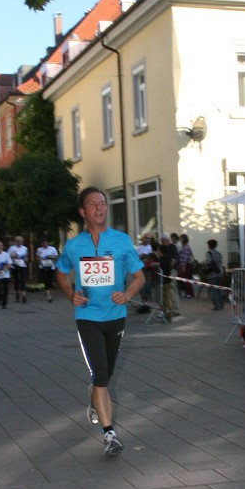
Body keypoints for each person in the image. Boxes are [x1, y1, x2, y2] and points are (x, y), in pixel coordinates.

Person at [56, 187, 145, 456]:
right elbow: (60, 272)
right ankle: (110, 435)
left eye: (103, 204)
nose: (99, 208)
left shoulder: (121, 241)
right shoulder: (73, 246)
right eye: (93, 204)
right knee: (102, 375)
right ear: (83, 212)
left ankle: (96, 393)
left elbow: (140, 277)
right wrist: (71, 294)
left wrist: (127, 294)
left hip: (115, 317)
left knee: (104, 374)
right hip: (88, 317)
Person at [203, 238, 225, 310]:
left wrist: (204, 264)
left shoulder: (208, 253)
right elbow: (220, 263)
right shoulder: (219, 253)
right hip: (219, 273)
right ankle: (221, 304)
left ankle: (216, 306)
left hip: (212, 274)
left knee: (213, 290)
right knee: (218, 289)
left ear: (209, 245)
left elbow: (208, 263)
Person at [36, 237, 58, 302]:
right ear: (41, 244)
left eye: (46, 243)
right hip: (43, 267)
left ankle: (46, 292)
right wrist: (39, 260)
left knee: (50, 281)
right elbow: (37, 257)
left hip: (51, 267)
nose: (45, 244)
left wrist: (51, 257)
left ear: (48, 243)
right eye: (43, 243)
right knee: (46, 280)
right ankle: (49, 296)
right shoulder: (39, 249)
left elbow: (56, 256)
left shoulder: (52, 249)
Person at [9, 236, 29, 303]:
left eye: (21, 241)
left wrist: (26, 259)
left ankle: (24, 296)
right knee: (16, 280)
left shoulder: (25, 248)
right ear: (15, 242)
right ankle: (17, 293)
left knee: (23, 280)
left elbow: (26, 257)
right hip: (15, 266)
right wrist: (13, 256)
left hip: (22, 265)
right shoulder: (12, 248)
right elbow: (7, 256)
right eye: (18, 241)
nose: (19, 243)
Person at [177, 233, 195, 298]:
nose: (180, 240)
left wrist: (183, 266)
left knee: (187, 279)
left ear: (184, 239)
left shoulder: (186, 247)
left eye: (181, 239)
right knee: (185, 280)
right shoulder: (183, 246)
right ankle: (187, 293)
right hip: (184, 265)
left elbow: (186, 257)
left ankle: (189, 294)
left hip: (186, 265)